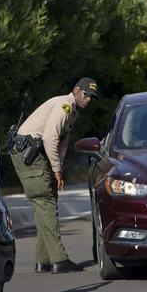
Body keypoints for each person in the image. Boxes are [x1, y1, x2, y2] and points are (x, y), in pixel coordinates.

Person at [10, 77, 98, 274]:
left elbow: (61, 143)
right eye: (86, 94)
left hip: (37, 156)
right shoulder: (65, 105)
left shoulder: (72, 110)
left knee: (46, 205)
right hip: (30, 155)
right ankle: (60, 260)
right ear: (76, 90)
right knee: (45, 202)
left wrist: (58, 168)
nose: (88, 99)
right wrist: (56, 168)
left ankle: (44, 260)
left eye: (92, 97)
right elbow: (50, 136)